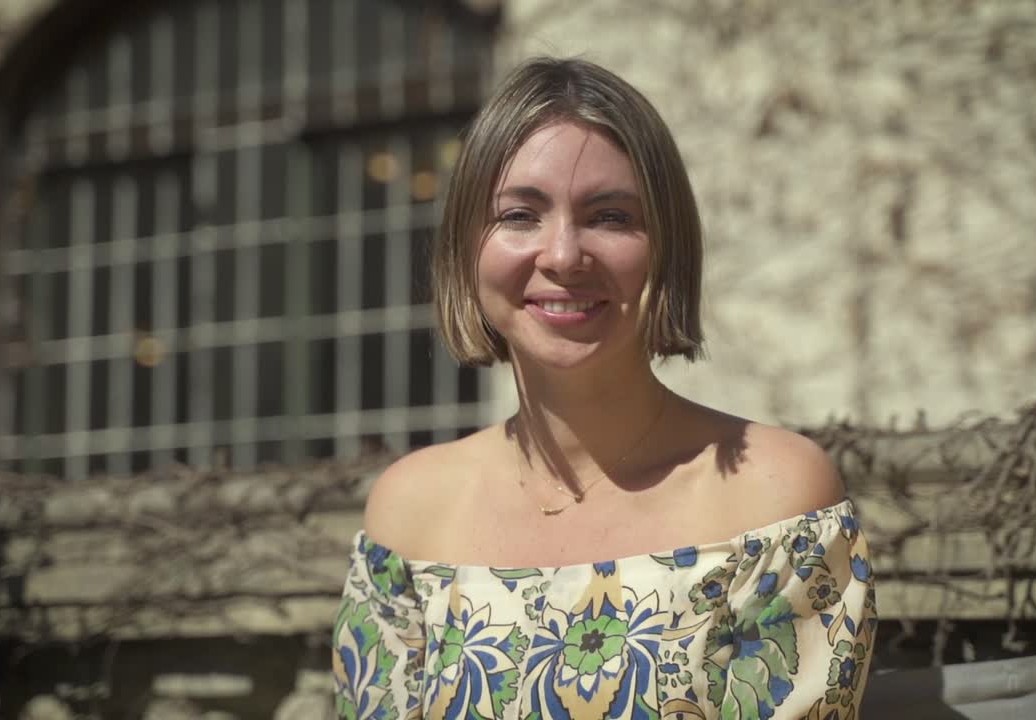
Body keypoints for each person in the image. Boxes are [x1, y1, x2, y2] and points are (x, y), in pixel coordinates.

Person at [333, 57, 876, 720]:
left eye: (610, 217)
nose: (563, 256)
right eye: (519, 215)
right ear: (464, 249)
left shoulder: (777, 504)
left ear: (666, 247)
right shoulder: (408, 515)